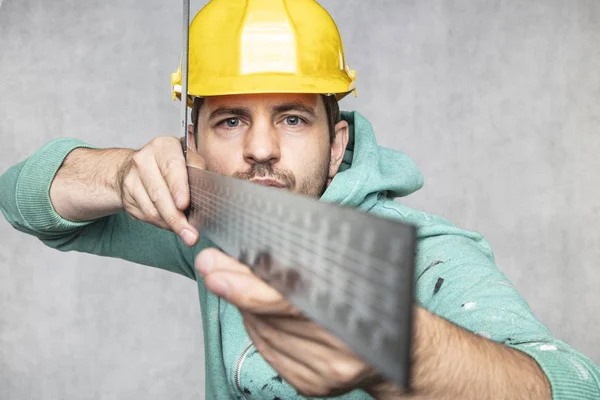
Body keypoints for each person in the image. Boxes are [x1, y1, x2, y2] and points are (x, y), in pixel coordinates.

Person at [0, 0, 598, 399]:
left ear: (337, 144)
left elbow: (574, 385)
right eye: (231, 120)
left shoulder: (429, 257)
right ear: (194, 145)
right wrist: (122, 172)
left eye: (291, 118)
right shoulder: (210, 219)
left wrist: (397, 343)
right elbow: (21, 198)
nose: (261, 149)